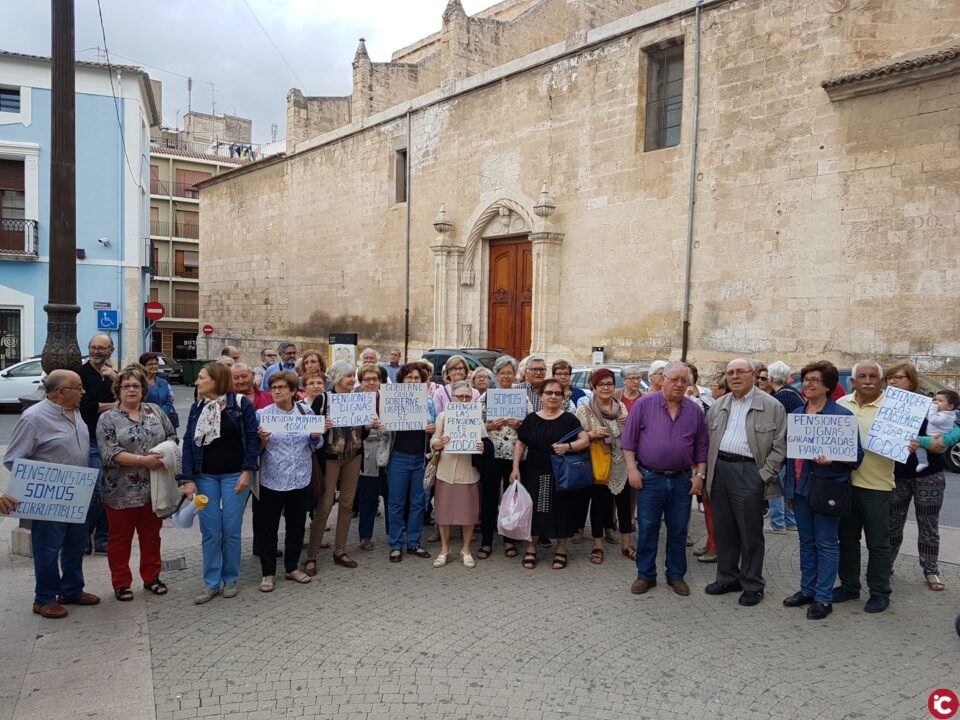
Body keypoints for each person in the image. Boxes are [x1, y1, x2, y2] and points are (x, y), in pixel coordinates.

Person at [4, 370, 101, 618]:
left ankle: (72, 589)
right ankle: (44, 597)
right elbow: (13, 459)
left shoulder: (75, 411)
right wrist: (38, 485)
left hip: (77, 493)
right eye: (78, 388)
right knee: (48, 548)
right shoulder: (34, 418)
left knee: (75, 544)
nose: (83, 392)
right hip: (50, 497)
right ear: (61, 392)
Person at [783, 361, 863, 620]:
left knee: (826, 543)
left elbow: (857, 457)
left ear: (828, 386)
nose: (807, 384)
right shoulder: (796, 413)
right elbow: (790, 458)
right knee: (806, 542)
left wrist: (834, 458)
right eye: (806, 380)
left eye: (814, 380)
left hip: (828, 488)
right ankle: (807, 589)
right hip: (801, 489)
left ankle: (823, 597)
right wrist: (789, 490)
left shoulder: (841, 416)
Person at [704, 358, 787, 607]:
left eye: (741, 371)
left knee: (750, 532)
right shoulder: (718, 405)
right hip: (720, 470)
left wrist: (763, 475)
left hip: (750, 471)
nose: (735, 376)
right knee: (724, 529)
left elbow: (780, 445)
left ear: (754, 375)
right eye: (730, 373)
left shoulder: (772, 406)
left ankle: (752, 583)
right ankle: (728, 577)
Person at [622, 362, 707, 595]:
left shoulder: (694, 410)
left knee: (679, 529)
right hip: (650, 478)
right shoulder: (644, 405)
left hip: (681, 480)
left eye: (684, 381)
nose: (680, 384)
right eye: (675, 379)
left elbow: (702, 447)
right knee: (648, 527)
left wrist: (700, 475)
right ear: (663, 379)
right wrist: (632, 470)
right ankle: (646, 575)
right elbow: (628, 442)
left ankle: (676, 575)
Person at [96, 365, 177, 601]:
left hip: (154, 488)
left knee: (151, 535)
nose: (131, 389)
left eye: (136, 385)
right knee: (120, 539)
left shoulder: (155, 411)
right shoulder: (108, 418)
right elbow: (109, 452)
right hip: (120, 490)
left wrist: (164, 455)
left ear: (143, 389)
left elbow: (172, 436)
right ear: (118, 390)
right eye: (126, 386)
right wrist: (144, 461)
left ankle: (152, 577)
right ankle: (121, 583)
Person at [181, 363, 260, 604]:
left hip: (234, 475)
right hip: (205, 476)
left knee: (231, 529)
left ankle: (230, 579)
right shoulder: (198, 407)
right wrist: (188, 479)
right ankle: (211, 583)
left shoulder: (240, 404)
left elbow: (252, 438)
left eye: (201, 378)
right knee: (211, 530)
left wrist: (248, 472)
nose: (197, 382)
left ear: (215, 380)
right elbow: (188, 442)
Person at [835, 361, 896, 613]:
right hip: (844, 485)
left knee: (878, 544)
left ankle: (880, 592)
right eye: (862, 376)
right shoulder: (840, 405)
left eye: (873, 376)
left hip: (878, 487)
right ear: (853, 381)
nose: (868, 380)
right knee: (846, 540)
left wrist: (913, 445)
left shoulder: (894, 409)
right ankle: (849, 586)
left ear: (882, 381)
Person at [510, 378, 589, 570]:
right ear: (541, 396)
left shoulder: (569, 418)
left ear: (562, 397)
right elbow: (520, 443)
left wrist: (568, 447)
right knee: (536, 510)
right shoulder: (532, 419)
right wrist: (515, 468)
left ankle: (561, 549)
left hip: (562, 474)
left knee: (563, 511)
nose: (553, 397)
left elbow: (585, 439)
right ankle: (532, 547)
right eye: (549, 393)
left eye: (557, 393)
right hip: (536, 472)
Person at [886, 364, 951, 593]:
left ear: (911, 380)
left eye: (898, 377)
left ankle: (930, 569)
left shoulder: (930, 407)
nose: (892, 381)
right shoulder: (886, 405)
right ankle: (887, 564)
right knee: (893, 523)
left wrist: (925, 443)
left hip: (928, 474)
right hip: (897, 475)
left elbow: (942, 442)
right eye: (889, 378)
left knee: (928, 524)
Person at [255, 371, 323, 591]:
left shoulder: (305, 412)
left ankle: (292, 567)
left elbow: (317, 443)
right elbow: (254, 450)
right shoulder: (263, 414)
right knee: (268, 527)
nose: (276, 391)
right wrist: (262, 441)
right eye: (273, 387)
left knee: (295, 525)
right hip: (271, 480)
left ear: (293, 391)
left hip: (300, 479)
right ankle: (268, 573)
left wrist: (315, 436)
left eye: (282, 387)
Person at [306, 361, 367, 572]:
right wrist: (321, 427)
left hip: (353, 455)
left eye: (353, 376)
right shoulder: (323, 399)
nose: (352, 380)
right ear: (338, 378)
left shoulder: (359, 398)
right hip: (330, 458)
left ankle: (340, 551)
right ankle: (311, 555)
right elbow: (311, 433)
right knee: (324, 505)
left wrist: (368, 426)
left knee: (348, 503)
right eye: (348, 376)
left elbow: (363, 432)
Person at [575, 368, 634, 564]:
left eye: (609, 384)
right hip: (598, 464)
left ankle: (627, 544)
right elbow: (576, 436)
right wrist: (591, 434)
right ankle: (597, 545)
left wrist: (629, 423)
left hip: (621, 462)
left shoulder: (621, 408)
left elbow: (628, 436)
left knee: (624, 504)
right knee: (599, 504)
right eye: (601, 384)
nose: (606, 388)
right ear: (593, 387)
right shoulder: (585, 410)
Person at [430, 381, 487, 567]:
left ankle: (466, 549)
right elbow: (433, 440)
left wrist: (482, 447)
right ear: (452, 398)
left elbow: (485, 443)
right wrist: (438, 443)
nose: (463, 400)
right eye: (460, 396)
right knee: (444, 512)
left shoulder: (476, 419)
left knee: (468, 513)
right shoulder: (443, 417)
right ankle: (445, 549)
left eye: (467, 397)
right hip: (445, 471)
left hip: (468, 472)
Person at [478, 356, 529, 559]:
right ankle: (487, 541)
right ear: (496, 375)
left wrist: (520, 425)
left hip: (514, 456)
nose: (506, 376)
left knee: (511, 500)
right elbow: (473, 423)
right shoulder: (486, 397)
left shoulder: (521, 397)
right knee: (489, 498)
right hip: (491, 454)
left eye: (509, 372)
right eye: (502, 372)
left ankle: (509, 540)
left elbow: (531, 425)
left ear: (514, 375)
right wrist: (489, 426)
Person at [385, 363, 436, 562]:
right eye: (409, 378)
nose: (413, 381)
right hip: (398, 457)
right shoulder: (392, 400)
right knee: (396, 503)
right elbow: (386, 428)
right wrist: (384, 426)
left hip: (420, 458)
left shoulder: (429, 402)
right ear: (402, 380)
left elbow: (436, 426)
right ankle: (396, 544)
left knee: (418, 502)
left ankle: (414, 542)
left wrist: (432, 429)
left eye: (417, 378)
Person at [76, 334, 117, 555]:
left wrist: (114, 377)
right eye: (93, 347)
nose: (96, 351)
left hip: (112, 441)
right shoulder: (80, 374)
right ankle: (83, 537)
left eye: (101, 348)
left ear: (111, 350)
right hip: (91, 439)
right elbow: (87, 407)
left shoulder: (113, 374)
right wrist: (115, 405)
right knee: (95, 491)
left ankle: (102, 540)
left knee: (109, 491)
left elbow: (133, 397)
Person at [694, 372, 730, 565]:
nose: (711, 389)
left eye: (715, 385)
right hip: (709, 464)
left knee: (717, 511)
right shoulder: (715, 406)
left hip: (720, 466)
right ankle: (710, 543)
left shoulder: (722, 408)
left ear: (723, 389)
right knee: (708, 508)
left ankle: (717, 547)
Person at [766, 360, 804, 534]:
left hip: (784, 445)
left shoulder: (780, 397)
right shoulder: (793, 392)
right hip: (792, 445)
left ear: (771, 377)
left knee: (776, 484)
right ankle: (790, 521)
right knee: (786, 482)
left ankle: (778, 523)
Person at [356, 364, 390, 551]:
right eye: (367, 379)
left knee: (390, 495)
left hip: (388, 451)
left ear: (380, 381)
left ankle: (392, 533)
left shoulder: (388, 399)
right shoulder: (355, 401)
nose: (371, 383)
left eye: (374, 379)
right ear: (361, 382)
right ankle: (365, 536)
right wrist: (365, 428)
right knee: (367, 497)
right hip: (367, 453)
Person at [916, 390, 957, 472]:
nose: (935, 402)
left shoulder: (946, 416)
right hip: (933, 436)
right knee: (919, 446)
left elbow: (932, 420)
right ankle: (922, 461)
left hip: (936, 438)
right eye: (934, 400)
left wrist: (933, 408)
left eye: (940, 401)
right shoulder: (944, 413)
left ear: (950, 407)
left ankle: (923, 461)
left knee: (917, 442)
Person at [139, 352, 178, 432]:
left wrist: (160, 413)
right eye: (150, 364)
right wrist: (154, 414)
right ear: (142, 366)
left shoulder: (163, 382)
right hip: (146, 421)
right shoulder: (139, 383)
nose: (154, 366)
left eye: (156, 363)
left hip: (165, 419)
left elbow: (169, 401)